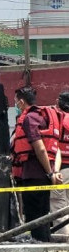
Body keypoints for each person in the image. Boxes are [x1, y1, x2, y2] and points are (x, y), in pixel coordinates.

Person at [10, 86, 62, 241]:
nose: (16, 105)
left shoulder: (29, 119)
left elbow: (39, 148)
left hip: (33, 175)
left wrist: (49, 172)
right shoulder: (46, 117)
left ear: (21, 101)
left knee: (34, 218)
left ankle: (38, 248)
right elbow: (56, 148)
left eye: (15, 102)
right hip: (45, 175)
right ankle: (45, 244)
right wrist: (53, 171)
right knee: (44, 216)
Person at [50, 91, 69, 235]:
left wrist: (54, 171)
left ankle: (64, 239)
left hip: (61, 169)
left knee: (59, 205)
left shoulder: (58, 119)